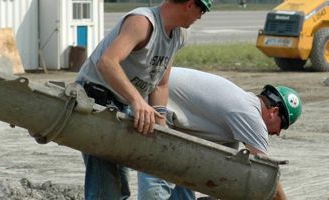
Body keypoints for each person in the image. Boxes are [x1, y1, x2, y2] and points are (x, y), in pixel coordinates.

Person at [74, 0, 211, 199]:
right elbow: (108, 62)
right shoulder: (143, 22)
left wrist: (161, 126)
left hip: (125, 103)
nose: (201, 16)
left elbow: (161, 83)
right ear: (190, 4)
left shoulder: (179, 34)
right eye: (202, 10)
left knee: (121, 183)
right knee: (106, 182)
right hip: (96, 97)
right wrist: (137, 101)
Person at [136, 67, 302, 200]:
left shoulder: (236, 119)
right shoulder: (251, 117)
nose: (278, 133)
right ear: (273, 111)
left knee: (182, 177)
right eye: (283, 125)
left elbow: (228, 173)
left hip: (158, 103)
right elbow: (266, 176)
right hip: (152, 105)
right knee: (159, 183)